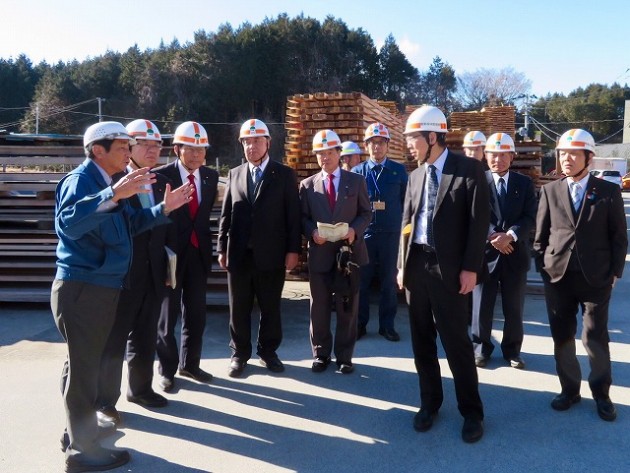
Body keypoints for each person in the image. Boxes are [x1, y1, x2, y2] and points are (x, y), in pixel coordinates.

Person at [51, 121, 192, 472]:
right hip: (83, 289)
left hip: (101, 288)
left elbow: (130, 224)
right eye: (122, 148)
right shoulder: (82, 181)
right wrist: (112, 195)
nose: (129, 153)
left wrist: (163, 209)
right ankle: (82, 452)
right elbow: (68, 224)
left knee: (84, 364)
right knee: (84, 369)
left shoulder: (112, 183)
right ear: (97, 150)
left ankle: (77, 433)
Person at [398, 105, 489, 443]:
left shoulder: (469, 170)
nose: (409, 145)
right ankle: (430, 403)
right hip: (417, 267)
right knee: (422, 341)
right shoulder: (415, 176)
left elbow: (478, 224)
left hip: (450, 270)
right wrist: (401, 265)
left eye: (414, 138)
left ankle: (472, 412)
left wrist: (471, 269)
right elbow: (406, 224)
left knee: (456, 343)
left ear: (433, 137)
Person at [533, 128, 627, 421]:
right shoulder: (550, 190)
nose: (566, 159)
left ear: (589, 157)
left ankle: (602, 394)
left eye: (574, 154)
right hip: (558, 277)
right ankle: (569, 390)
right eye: (563, 153)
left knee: (594, 336)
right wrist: (543, 268)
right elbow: (540, 236)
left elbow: (619, 236)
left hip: (596, 278)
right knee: (562, 337)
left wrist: (615, 272)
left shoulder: (608, 191)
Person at [95, 120, 174, 429]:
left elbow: (165, 227)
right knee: (114, 340)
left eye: (157, 145)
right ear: (128, 148)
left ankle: (140, 389)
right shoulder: (115, 182)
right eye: (145, 145)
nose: (153, 151)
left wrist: (167, 266)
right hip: (122, 276)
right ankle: (104, 402)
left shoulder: (160, 181)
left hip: (153, 273)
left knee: (145, 333)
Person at [217, 119, 301, 378]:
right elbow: (226, 215)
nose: (251, 146)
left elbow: (293, 216)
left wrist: (293, 250)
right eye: (246, 142)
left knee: (270, 306)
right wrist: (222, 248)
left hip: (272, 254)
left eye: (256, 141)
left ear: (268, 143)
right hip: (239, 254)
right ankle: (239, 354)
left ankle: (268, 351)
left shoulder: (284, 175)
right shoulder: (235, 174)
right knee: (238, 307)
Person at [299, 129, 371, 374]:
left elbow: (366, 213)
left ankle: (344, 357)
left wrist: (354, 230)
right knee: (318, 307)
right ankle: (321, 354)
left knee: (347, 307)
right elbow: (303, 218)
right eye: (320, 153)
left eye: (329, 152)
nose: (325, 157)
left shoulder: (356, 181)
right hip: (320, 255)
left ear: (339, 153)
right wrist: (311, 232)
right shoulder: (307, 185)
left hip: (347, 256)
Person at [155, 121, 219, 392]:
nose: (196, 154)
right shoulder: (161, 177)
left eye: (201, 149)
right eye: (190, 149)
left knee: (196, 313)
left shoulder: (211, 177)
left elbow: (202, 217)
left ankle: (190, 364)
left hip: (198, 253)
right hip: (171, 255)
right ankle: (167, 370)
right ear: (177, 149)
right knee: (167, 316)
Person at [471, 133, 537, 369]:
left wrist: (510, 235)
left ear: (511, 156)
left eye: (502, 155)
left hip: (514, 254)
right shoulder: (477, 182)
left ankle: (513, 351)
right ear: (486, 156)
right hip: (485, 255)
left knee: (514, 307)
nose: (497, 159)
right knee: (481, 306)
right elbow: (472, 214)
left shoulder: (524, 183)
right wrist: (492, 235)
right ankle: (480, 349)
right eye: (493, 154)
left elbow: (530, 216)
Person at [352, 123, 407, 341]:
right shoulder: (357, 172)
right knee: (361, 282)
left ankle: (387, 326)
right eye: (373, 143)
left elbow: (406, 202)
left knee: (388, 282)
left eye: (381, 142)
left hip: (391, 236)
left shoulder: (398, 171)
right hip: (365, 236)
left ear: (387, 145)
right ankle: (360, 324)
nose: (377, 147)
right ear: (366, 145)